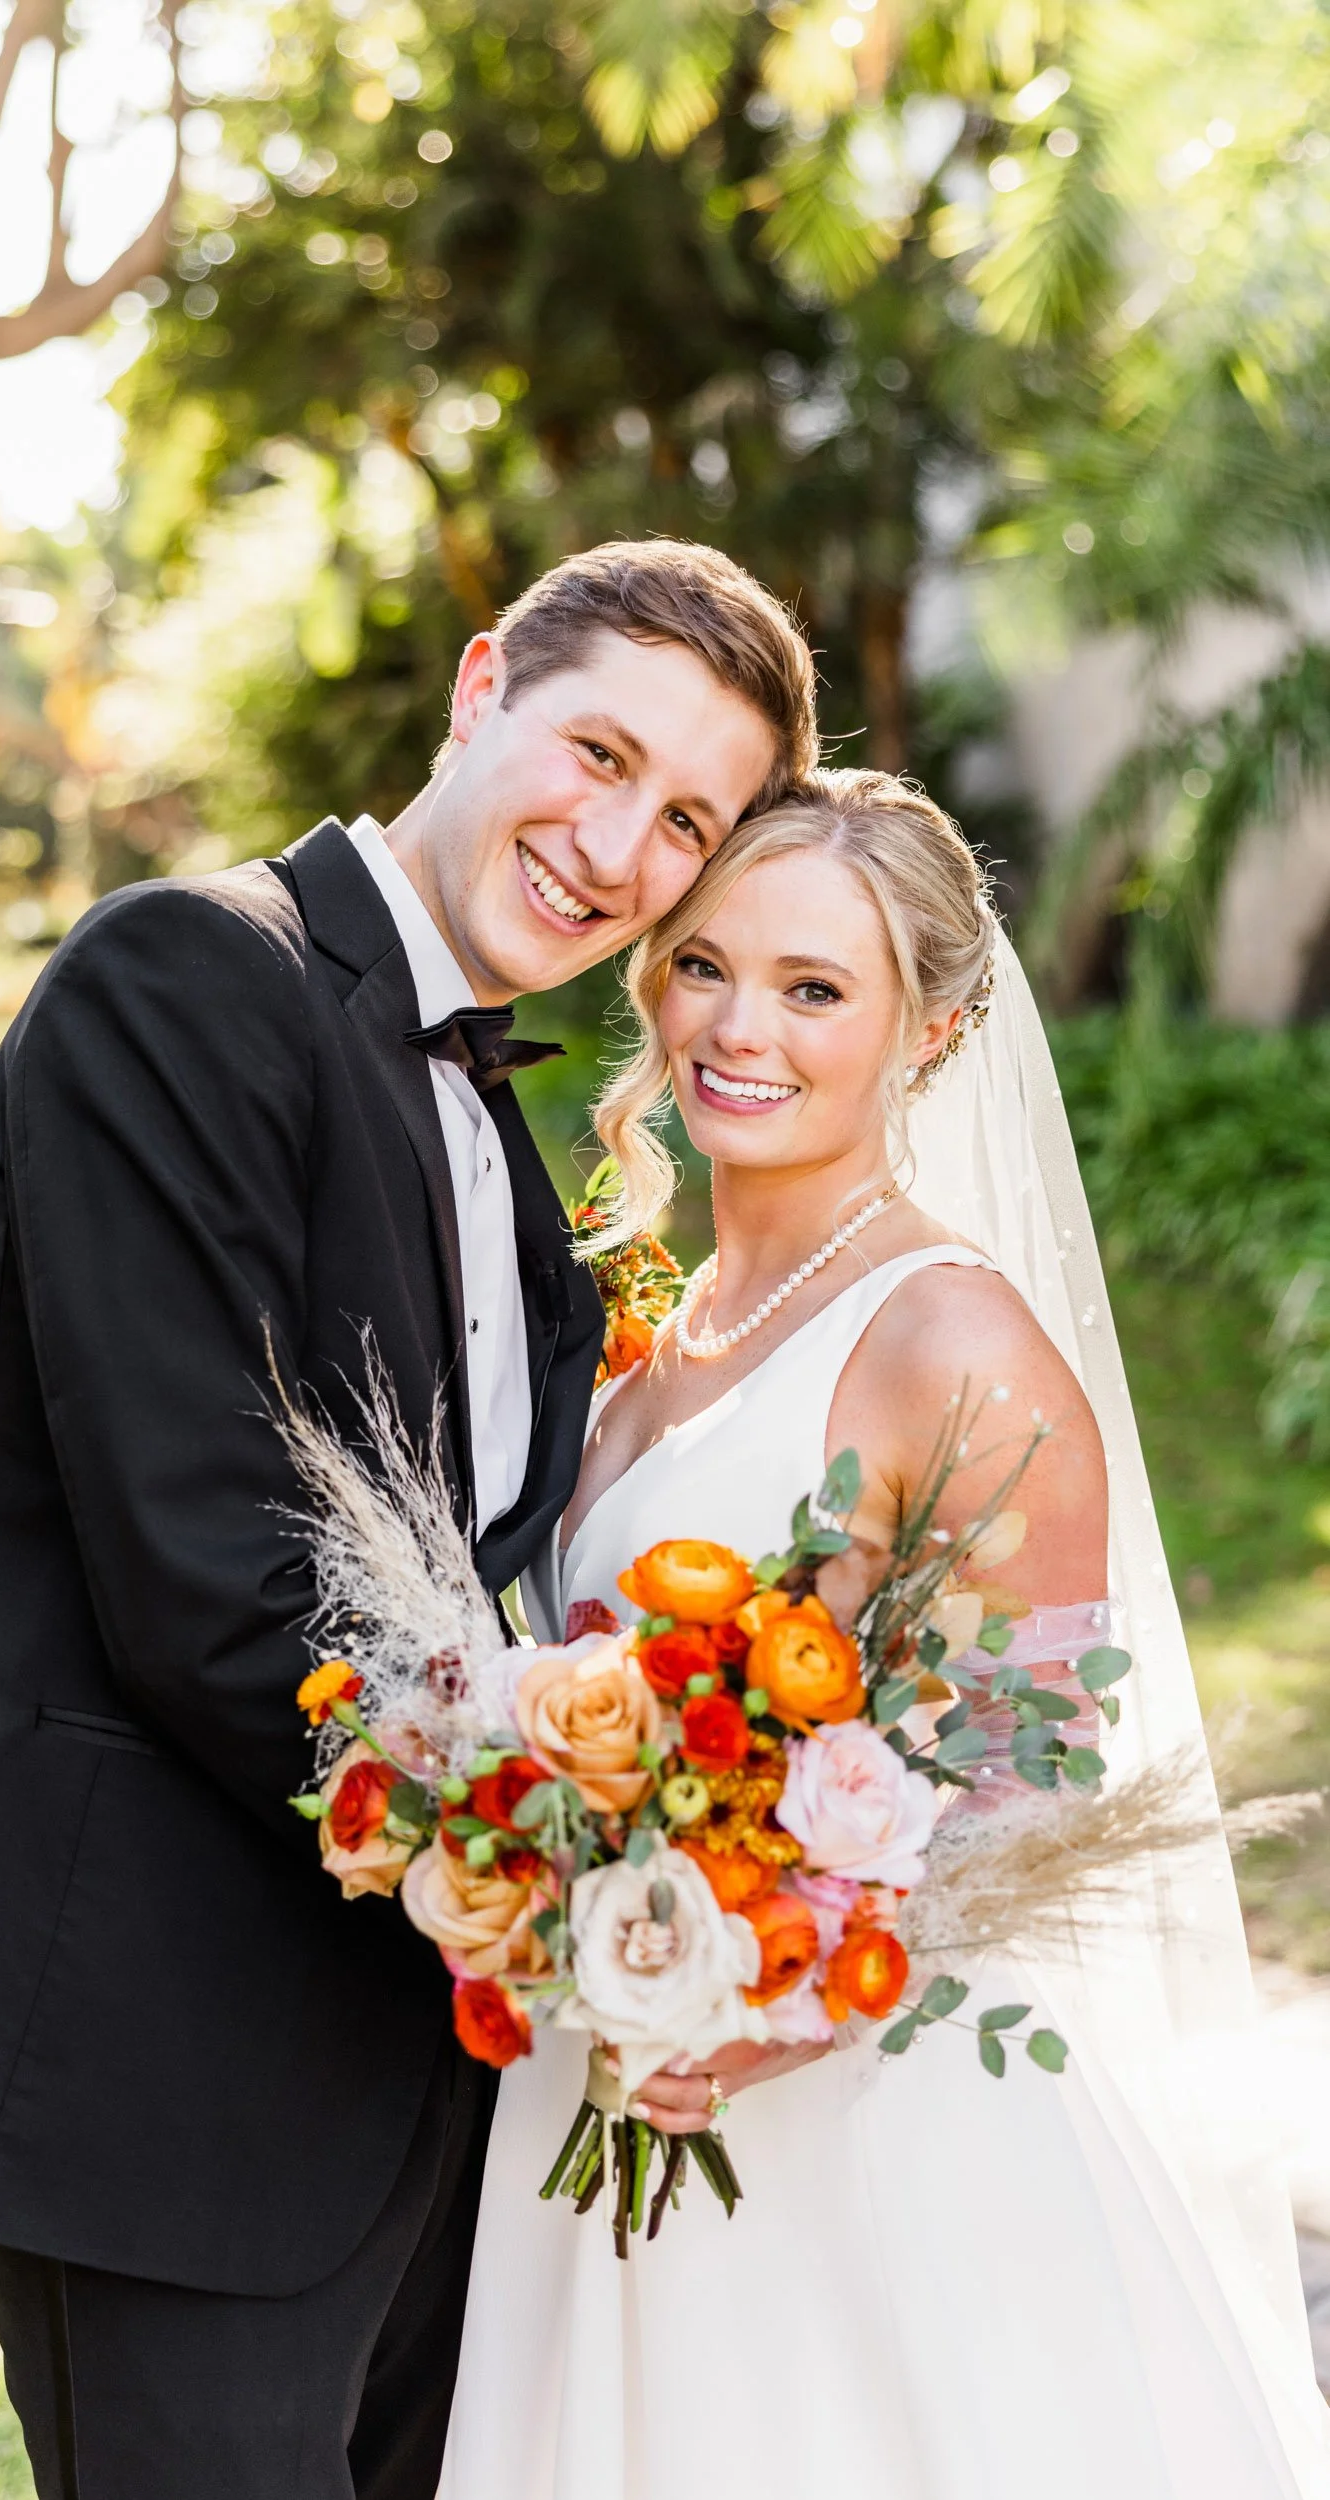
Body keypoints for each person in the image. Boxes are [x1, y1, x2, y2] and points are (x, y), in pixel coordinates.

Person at [0, 540, 817, 2500]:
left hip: (426, 2061)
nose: (615, 841)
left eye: (684, 817)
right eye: (596, 751)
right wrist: (565, 1862)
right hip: (165, 2062)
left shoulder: (503, 1139)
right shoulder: (181, 976)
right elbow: (210, 1565)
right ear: (483, 681)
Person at [441, 768, 1330, 2500]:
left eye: (815, 988)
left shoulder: (955, 1345)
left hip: (853, 2122)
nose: (734, 1027)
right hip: (604, 2064)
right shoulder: (653, 1311)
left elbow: (1033, 1785)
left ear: (926, 1034)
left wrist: (764, 2009)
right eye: (703, 964)